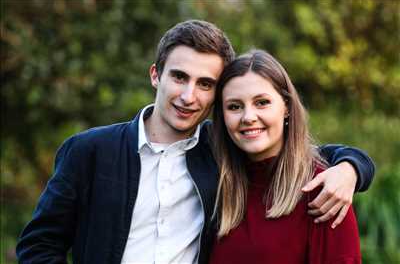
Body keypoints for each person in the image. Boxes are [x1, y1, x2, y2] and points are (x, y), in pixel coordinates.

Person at [16, 20, 373, 264]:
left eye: (205, 84)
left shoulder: (217, 153)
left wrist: (351, 167)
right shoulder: (90, 151)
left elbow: (288, 153)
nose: (189, 96)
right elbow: (38, 245)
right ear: (156, 75)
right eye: (179, 77)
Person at [209, 49, 362, 264]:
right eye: (234, 106)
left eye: (262, 102)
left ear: (287, 107)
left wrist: (352, 167)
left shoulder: (323, 191)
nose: (248, 117)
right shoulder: (213, 179)